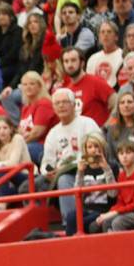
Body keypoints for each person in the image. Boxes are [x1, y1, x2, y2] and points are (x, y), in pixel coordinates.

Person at [38, 88, 102, 223]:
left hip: (88, 169)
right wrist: (47, 171)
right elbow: (46, 163)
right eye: (57, 103)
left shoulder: (87, 123)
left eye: (65, 102)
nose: (61, 105)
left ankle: (71, 223)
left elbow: (98, 151)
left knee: (64, 179)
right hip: (60, 173)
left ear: (74, 104)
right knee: (32, 185)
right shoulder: (53, 133)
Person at [60, 47, 115, 127]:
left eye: (73, 60)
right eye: (66, 61)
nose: (70, 65)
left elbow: (117, 105)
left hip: (97, 136)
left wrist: (107, 128)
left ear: (82, 63)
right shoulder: (66, 90)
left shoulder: (96, 82)